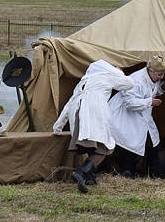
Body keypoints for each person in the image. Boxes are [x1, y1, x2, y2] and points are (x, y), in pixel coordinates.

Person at [53, 59, 135, 193]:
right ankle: (81, 172)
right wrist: (118, 73)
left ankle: (90, 179)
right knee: (103, 149)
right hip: (93, 113)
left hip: (78, 115)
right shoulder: (107, 77)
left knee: (93, 147)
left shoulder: (83, 82)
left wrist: (58, 127)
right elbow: (130, 83)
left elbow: (69, 105)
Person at [108, 55, 165, 177]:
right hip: (126, 116)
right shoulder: (136, 80)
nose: (161, 77)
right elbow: (130, 102)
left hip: (142, 116)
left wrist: (163, 88)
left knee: (152, 142)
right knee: (130, 143)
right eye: (159, 75)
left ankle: (155, 173)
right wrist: (149, 102)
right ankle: (127, 172)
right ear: (150, 71)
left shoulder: (151, 78)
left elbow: (152, 90)